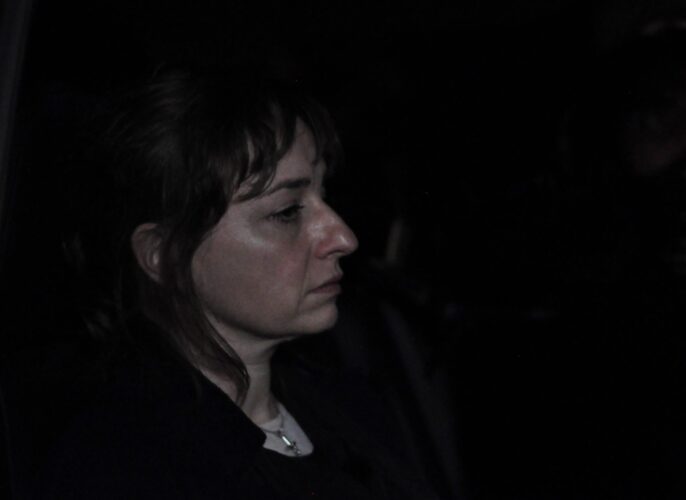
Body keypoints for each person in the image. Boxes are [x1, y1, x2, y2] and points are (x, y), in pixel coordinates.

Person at [39, 68, 438, 499]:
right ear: (165, 254)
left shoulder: (349, 406)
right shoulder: (129, 468)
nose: (343, 237)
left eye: (324, 195)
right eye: (287, 211)